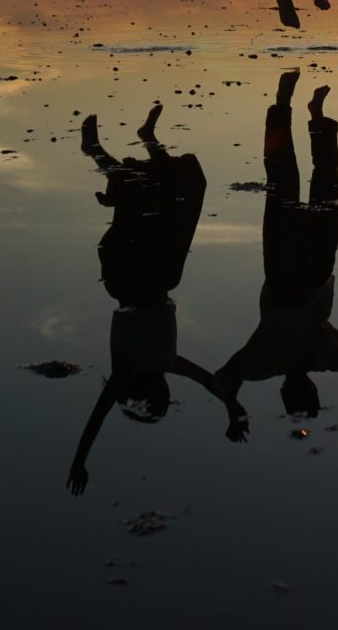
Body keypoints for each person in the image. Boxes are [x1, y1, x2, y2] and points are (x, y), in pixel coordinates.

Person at [65, 103, 238, 495]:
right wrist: (231, 409)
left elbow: (97, 418)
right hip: (161, 276)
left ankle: (94, 151)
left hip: (130, 280)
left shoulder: (127, 373)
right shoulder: (168, 363)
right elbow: (212, 382)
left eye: (158, 398)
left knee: (140, 198)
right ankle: (146, 140)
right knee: (183, 192)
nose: (163, 392)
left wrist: (80, 460)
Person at [214, 71, 338, 460]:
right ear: (314, 390)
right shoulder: (327, 358)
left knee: (282, 185)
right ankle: (317, 115)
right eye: (309, 396)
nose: (302, 391)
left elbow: (225, 378)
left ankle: (282, 106)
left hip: (284, 275)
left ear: (286, 394)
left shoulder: (264, 364)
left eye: (297, 397)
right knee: (327, 185)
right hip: (318, 271)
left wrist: (234, 409)